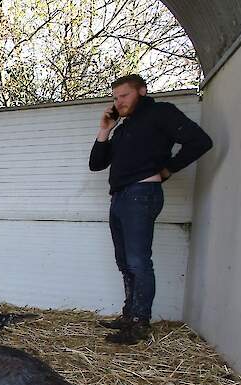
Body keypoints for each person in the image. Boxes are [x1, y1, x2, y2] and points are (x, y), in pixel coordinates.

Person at [89, 74, 212, 344]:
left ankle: (139, 322)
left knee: (138, 261)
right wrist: (105, 130)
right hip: (120, 197)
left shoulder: (160, 113)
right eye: (115, 98)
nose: (118, 102)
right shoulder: (122, 128)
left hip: (142, 194)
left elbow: (200, 141)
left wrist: (169, 169)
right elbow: (97, 164)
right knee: (125, 262)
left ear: (142, 91)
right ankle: (129, 315)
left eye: (124, 95)